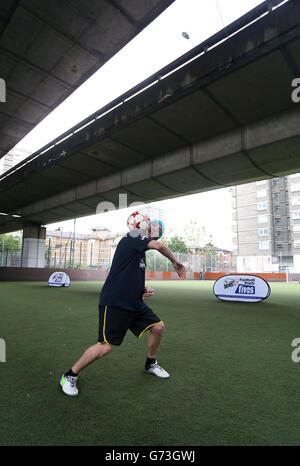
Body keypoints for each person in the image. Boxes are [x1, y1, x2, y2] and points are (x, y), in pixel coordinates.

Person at [60, 216, 185, 396]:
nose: (153, 230)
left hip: (134, 303)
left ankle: (150, 363)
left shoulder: (139, 252)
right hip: (115, 301)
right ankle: (69, 375)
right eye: (152, 226)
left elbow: (127, 275)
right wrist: (174, 260)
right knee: (105, 346)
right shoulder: (133, 236)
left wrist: (142, 289)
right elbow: (160, 247)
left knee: (158, 327)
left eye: (157, 230)